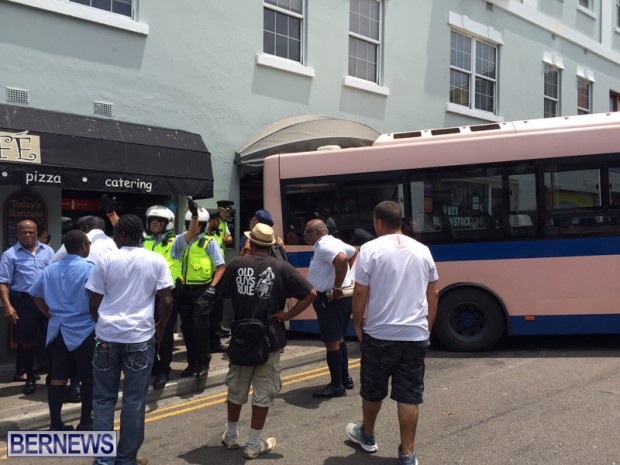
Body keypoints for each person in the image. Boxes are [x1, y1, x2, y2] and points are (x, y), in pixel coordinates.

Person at [346, 200, 439, 465]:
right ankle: (408, 454)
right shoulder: (422, 250)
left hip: (379, 334)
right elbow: (433, 292)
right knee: (409, 395)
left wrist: (357, 324)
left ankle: (368, 436)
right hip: (415, 335)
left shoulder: (369, 250)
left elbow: (360, 291)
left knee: (373, 390)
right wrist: (427, 327)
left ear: (379, 222)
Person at [220, 223, 316, 459]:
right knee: (263, 391)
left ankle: (231, 436)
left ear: (250, 243)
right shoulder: (282, 267)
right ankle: (254, 444)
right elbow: (311, 293)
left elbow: (224, 294)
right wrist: (287, 315)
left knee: (236, 388)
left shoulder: (236, 263)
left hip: (241, 338)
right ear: (272, 245)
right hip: (269, 338)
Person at [86, 214, 173, 465]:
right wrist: (161, 327)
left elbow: (93, 301)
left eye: (115, 233)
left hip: (106, 338)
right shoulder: (156, 259)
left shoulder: (105, 259)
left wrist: (101, 323)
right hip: (140, 338)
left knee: (103, 400)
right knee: (134, 401)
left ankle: (103, 460)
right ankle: (126, 459)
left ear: (122, 235)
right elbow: (167, 300)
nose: (113, 237)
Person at [29, 230, 95, 431]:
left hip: (57, 330)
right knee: (88, 379)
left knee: (57, 378)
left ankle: (56, 424)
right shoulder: (90, 268)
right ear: (83, 246)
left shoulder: (50, 269)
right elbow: (98, 298)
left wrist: (49, 314)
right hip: (85, 330)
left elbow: (34, 294)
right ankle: (85, 422)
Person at [171, 199, 225, 379]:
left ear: (204, 225)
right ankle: (192, 363)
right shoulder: (181, 240)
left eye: (199, 224)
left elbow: (220, 267)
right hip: (184, 290)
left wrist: (212, 287)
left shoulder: (209, 242)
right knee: (187, 328)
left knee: (200, 328)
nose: (195, 227)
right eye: (191, 224)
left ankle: (203, 363)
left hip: (202, 291)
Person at [304, 218, 357, 398]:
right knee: (339, 338)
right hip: (340, 299)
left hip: (331, 299)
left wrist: (337, 287)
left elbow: (342, 259)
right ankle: (345, 378)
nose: (304, 235)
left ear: (318, 232)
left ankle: (336, 386)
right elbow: (354, 252)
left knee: (332, 342)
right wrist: (352, 277)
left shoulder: (325, 245)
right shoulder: (333, 241)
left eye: (308, 231)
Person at [0, 219, 54, 394]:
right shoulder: (10, 255)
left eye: (31, 232)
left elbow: (54, 275)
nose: (28, 235)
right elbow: (4, 282)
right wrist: (7, 306)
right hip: (25, 303)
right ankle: (29, 377)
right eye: (24, 232)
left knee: (50, 339)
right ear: (17, 234)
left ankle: (52, 375)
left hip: (47, 301)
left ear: (37, 233)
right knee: (25, 342)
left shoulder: (48, 251)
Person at [142, 205, 182, 391]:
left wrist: (195, 217)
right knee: (148, 331)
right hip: (147, 294)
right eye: (152, 220)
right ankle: (152, 365)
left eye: (159, 221)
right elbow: (125, 229)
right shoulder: (144, 240)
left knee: (164, 333)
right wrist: (111, 214)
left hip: (167, 295)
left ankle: (164, 369)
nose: (154, 223)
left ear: (168, 224)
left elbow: (191, 234)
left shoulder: (176, 242)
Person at [51, 216, 117, 266]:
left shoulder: (77, 239)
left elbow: (53, 261)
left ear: (86, 227)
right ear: (103, 229)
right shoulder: (114, 243)